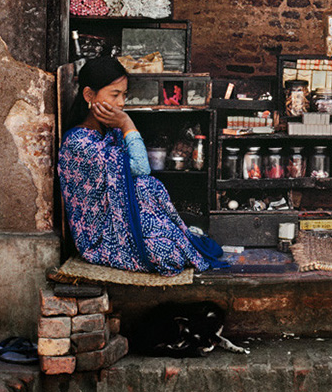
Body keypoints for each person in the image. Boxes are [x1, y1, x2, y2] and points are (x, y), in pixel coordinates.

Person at [58, 57, 221, 275]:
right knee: (168, 255)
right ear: (89, 95)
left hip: (123, 219)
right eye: (114, 95)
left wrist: (123, 126)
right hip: (103, 236)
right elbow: (140, 168)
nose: (121, 103)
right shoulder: (79, 143)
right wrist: (127, 123)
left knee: (149, 190)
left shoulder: (109, 132)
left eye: (124, 95)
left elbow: (140, 178)